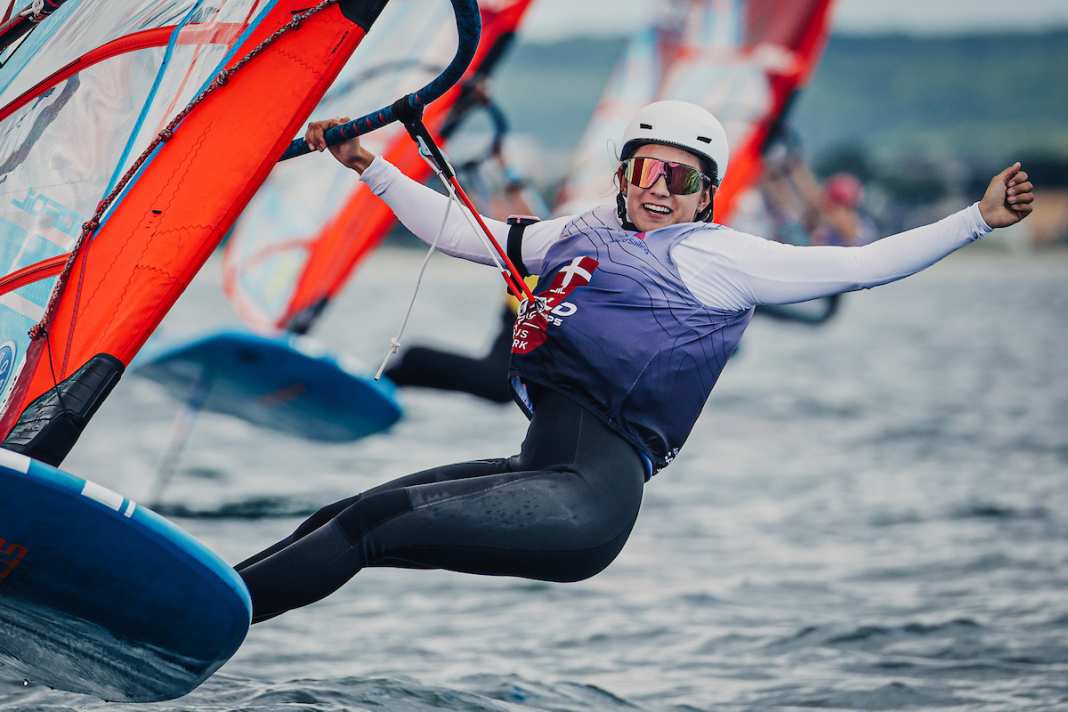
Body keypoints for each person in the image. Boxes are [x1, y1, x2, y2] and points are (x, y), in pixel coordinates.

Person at [235, 100, 1033, 624]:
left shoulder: (722, 258)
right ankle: (196, 604)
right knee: (343, 514)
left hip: (588, 504)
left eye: (678, 178)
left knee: (371, 527)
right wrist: (371, 168)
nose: (658, 188)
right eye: (644, 170)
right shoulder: (580, 234)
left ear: (703, 196)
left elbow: (859, 266)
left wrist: (975, 220)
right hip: (535, 471)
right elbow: (457, 229)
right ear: (623, 177)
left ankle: (212, 613)